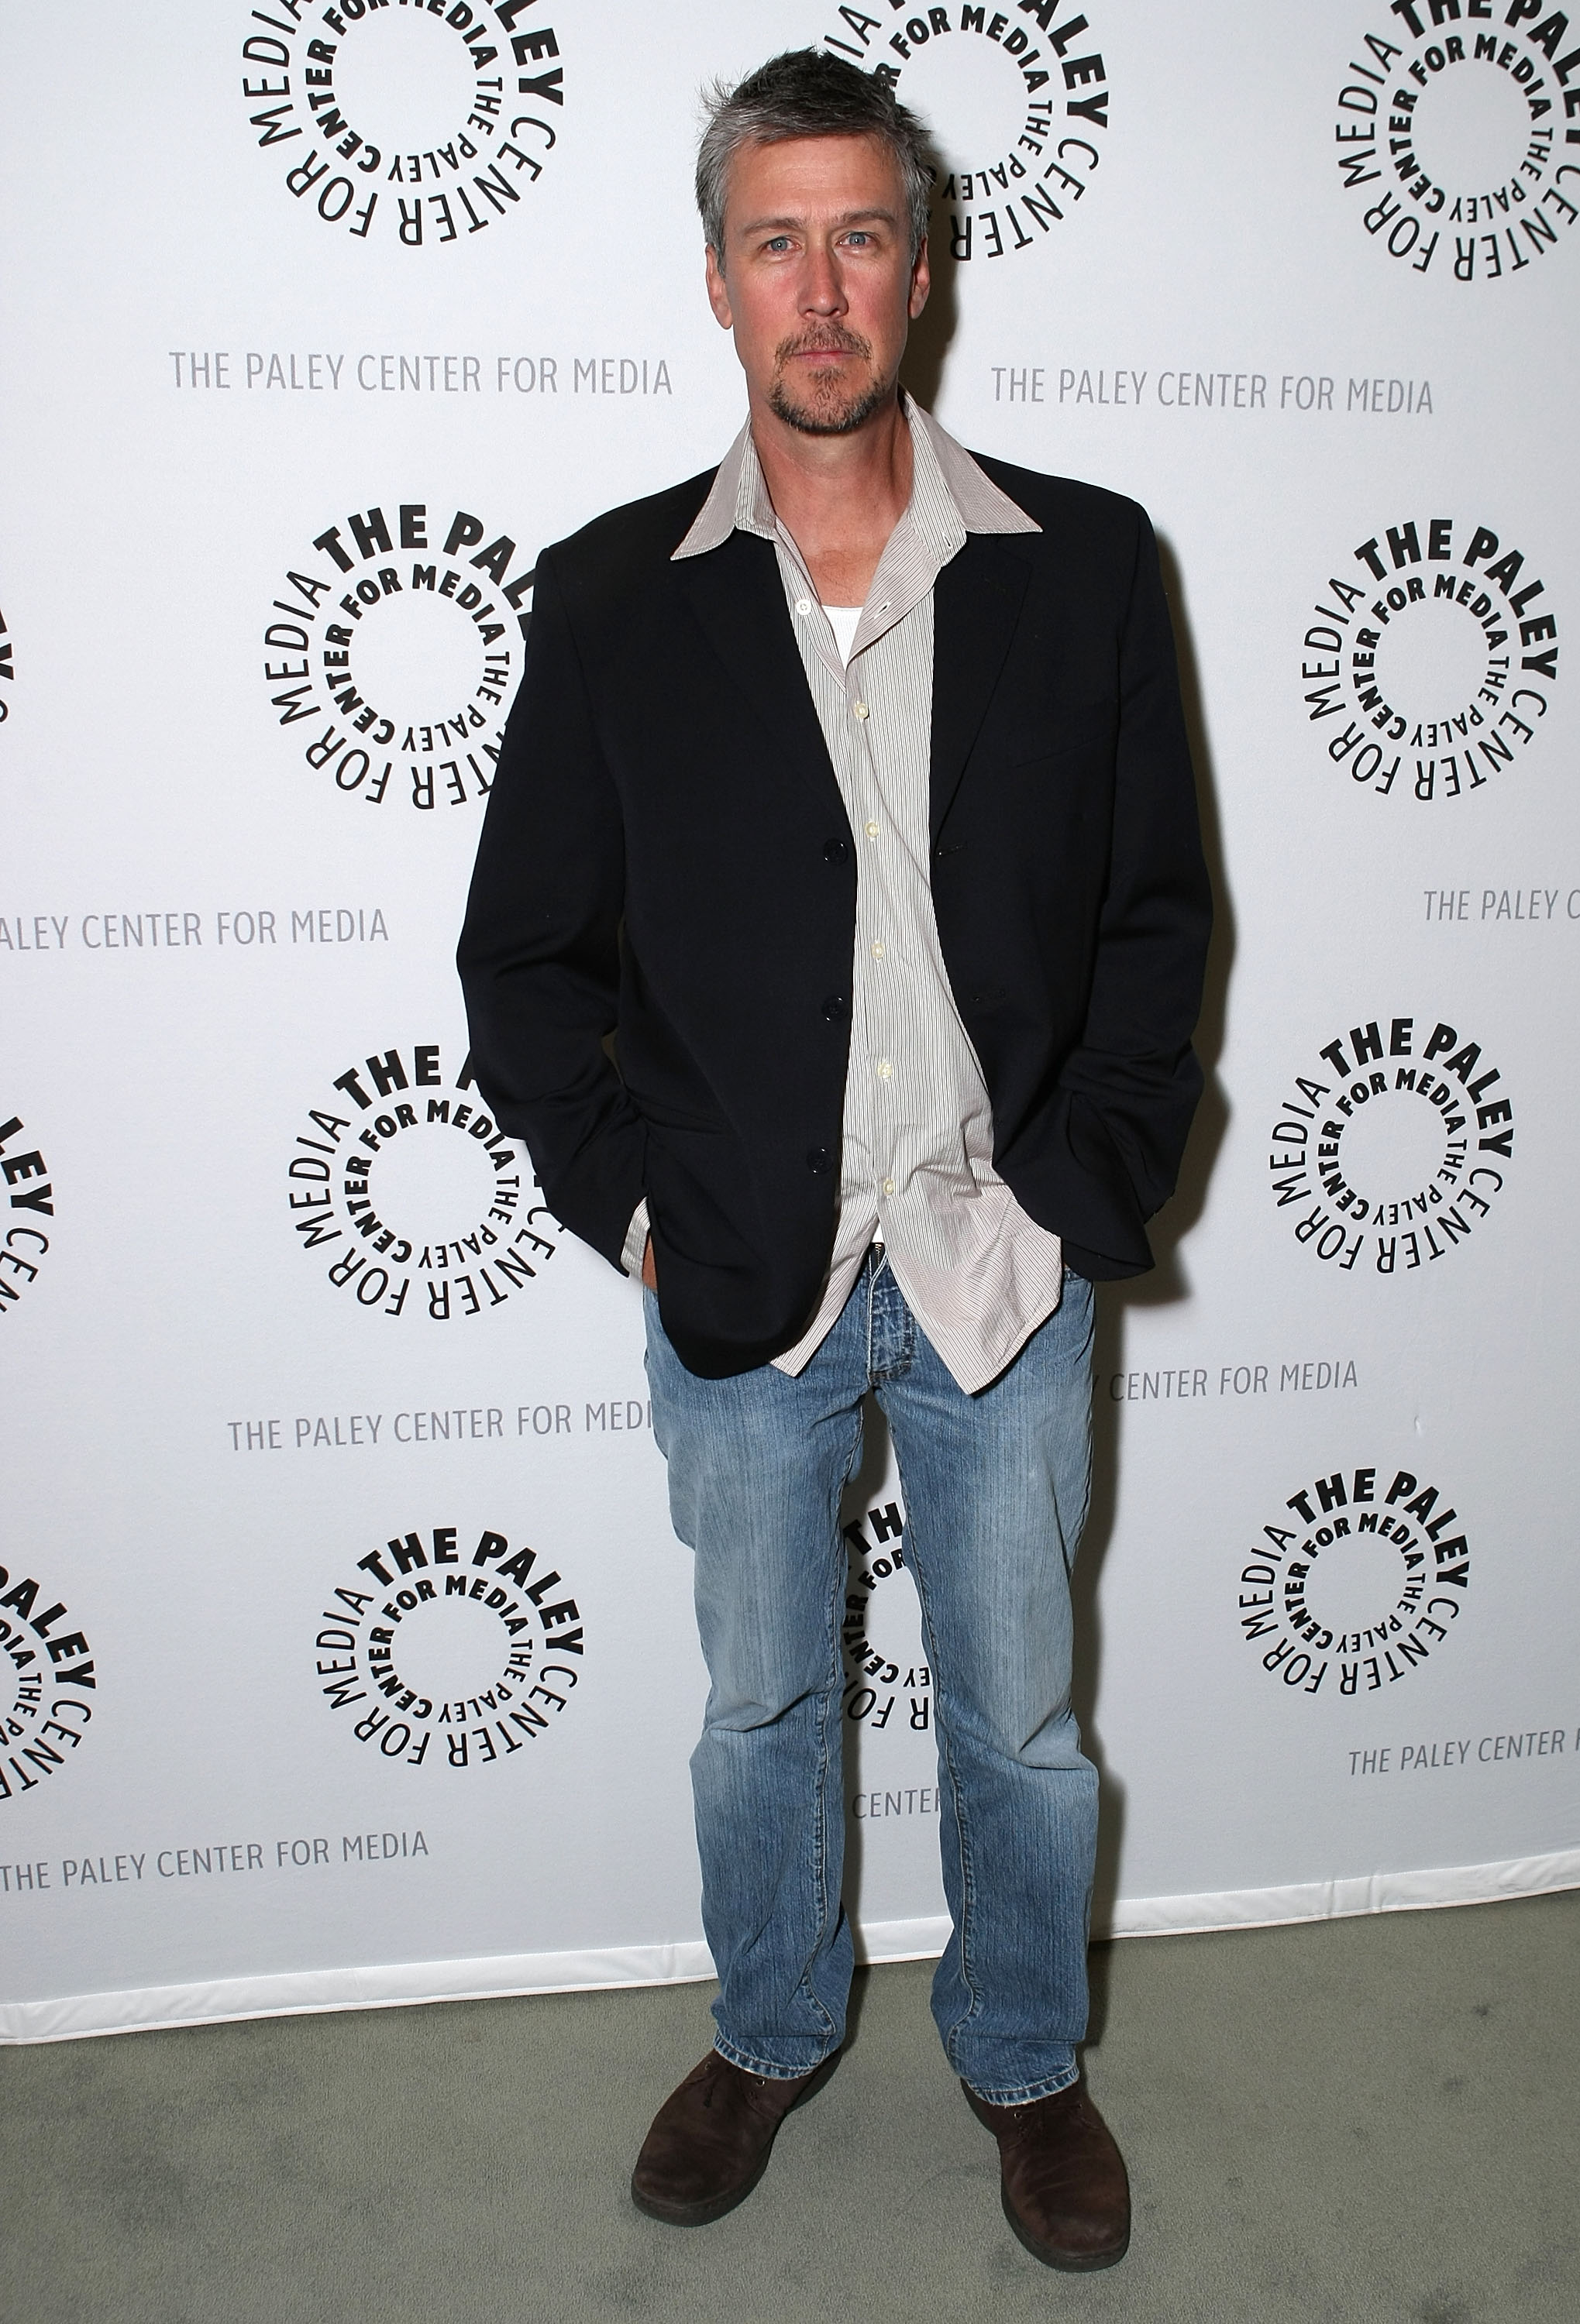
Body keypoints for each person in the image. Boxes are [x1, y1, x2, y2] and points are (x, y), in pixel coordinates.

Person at [458, 49, 1210, 2274]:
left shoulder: (1081, 571)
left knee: (1021, 1717)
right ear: (717, 282)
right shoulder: (611, 599)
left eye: (858, 233)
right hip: (740, 1272)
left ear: (918, 271)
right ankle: (772, 2022)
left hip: (998, 1256)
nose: (819, 285)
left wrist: (1083, 1190)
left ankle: (1018, 2058)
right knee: (759, 1706)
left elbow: (1157, 917)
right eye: (773, 238)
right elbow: (526, 959)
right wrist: (634, 1197)